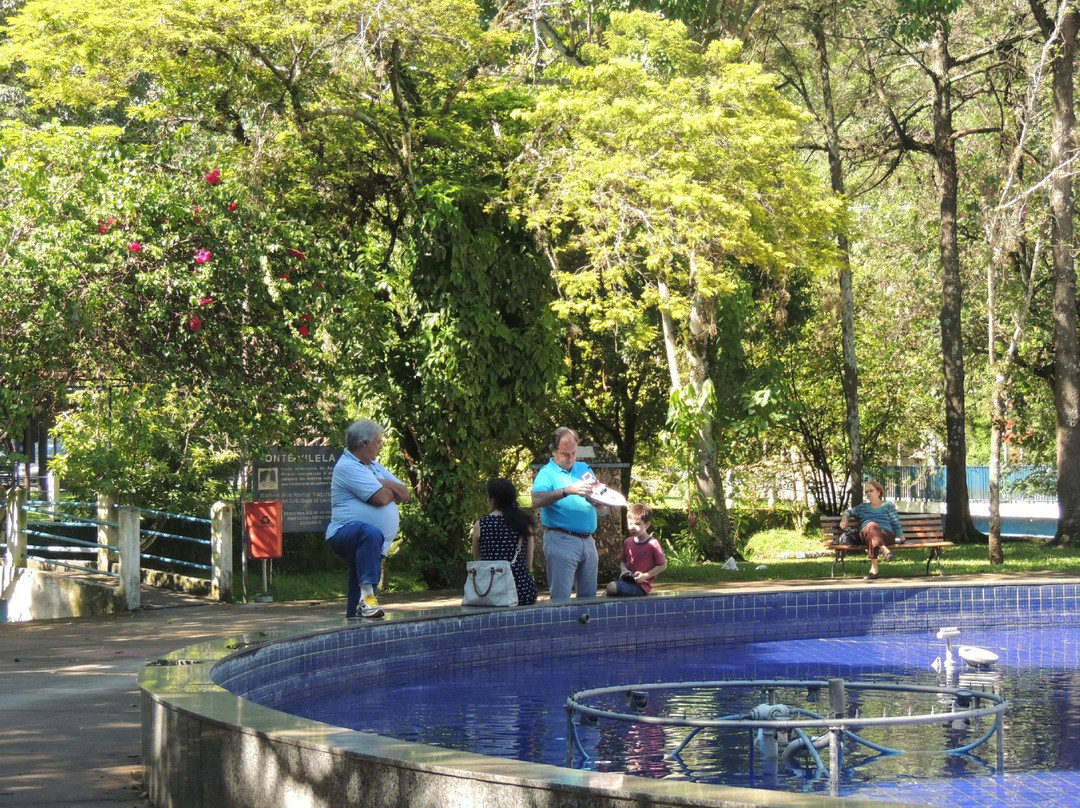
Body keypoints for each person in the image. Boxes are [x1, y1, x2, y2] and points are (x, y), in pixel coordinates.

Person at [325, 419, 411, 618]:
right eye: (378, 442)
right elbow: (381, 499)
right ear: (364, 443)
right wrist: (388, 490)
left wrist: (382, 482)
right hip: (344, 533)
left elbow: (405, 494)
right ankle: (368, 599)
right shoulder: (347, 466)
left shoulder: (374, 467)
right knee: (371, 532)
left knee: (359, 594)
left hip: (373, 544)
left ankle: (356, 622)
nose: (380, 446)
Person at [531, 427, 601, 601]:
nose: (570, 458)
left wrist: (598, 500)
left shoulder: (583, 468)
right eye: (564, 453)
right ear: (554, 452)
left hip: (588, 540)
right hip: (562, 540)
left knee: (589, 599)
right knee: (561, 600)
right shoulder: (547, 473)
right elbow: (536, 499)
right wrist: (567, 491)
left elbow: (598, 495)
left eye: (573, 453)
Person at [470, 478, 538, 606]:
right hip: (521, 590)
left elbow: (477, 558)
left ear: (492, 499)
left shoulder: (481, 524)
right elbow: (528, 564)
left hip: (489, 590)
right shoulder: (524, 524)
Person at [842, 480, 904, 581]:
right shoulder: (862, 507)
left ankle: (874, 570)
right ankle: (884, 550)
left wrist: (901, 536)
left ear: (879, 492)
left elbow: (895, 522)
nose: (868, 493)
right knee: (872, 525)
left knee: (873, 536)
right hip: (865, 535)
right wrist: (844, 518)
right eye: (866, 491)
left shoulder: (888, 506)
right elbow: (847, 511)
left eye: (871, 490)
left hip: (885, 534)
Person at [605, 503, 667, 597]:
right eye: (630, 523)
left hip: (641, 586)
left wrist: (645, 576)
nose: (633, 527)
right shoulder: (628, 542)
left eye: (637, 524)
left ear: (647, 524)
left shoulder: (652, 544)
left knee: (611, 587)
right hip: (628, 581)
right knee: (609, 591)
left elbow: (663, 565)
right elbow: (623, 562)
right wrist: (624, 570)